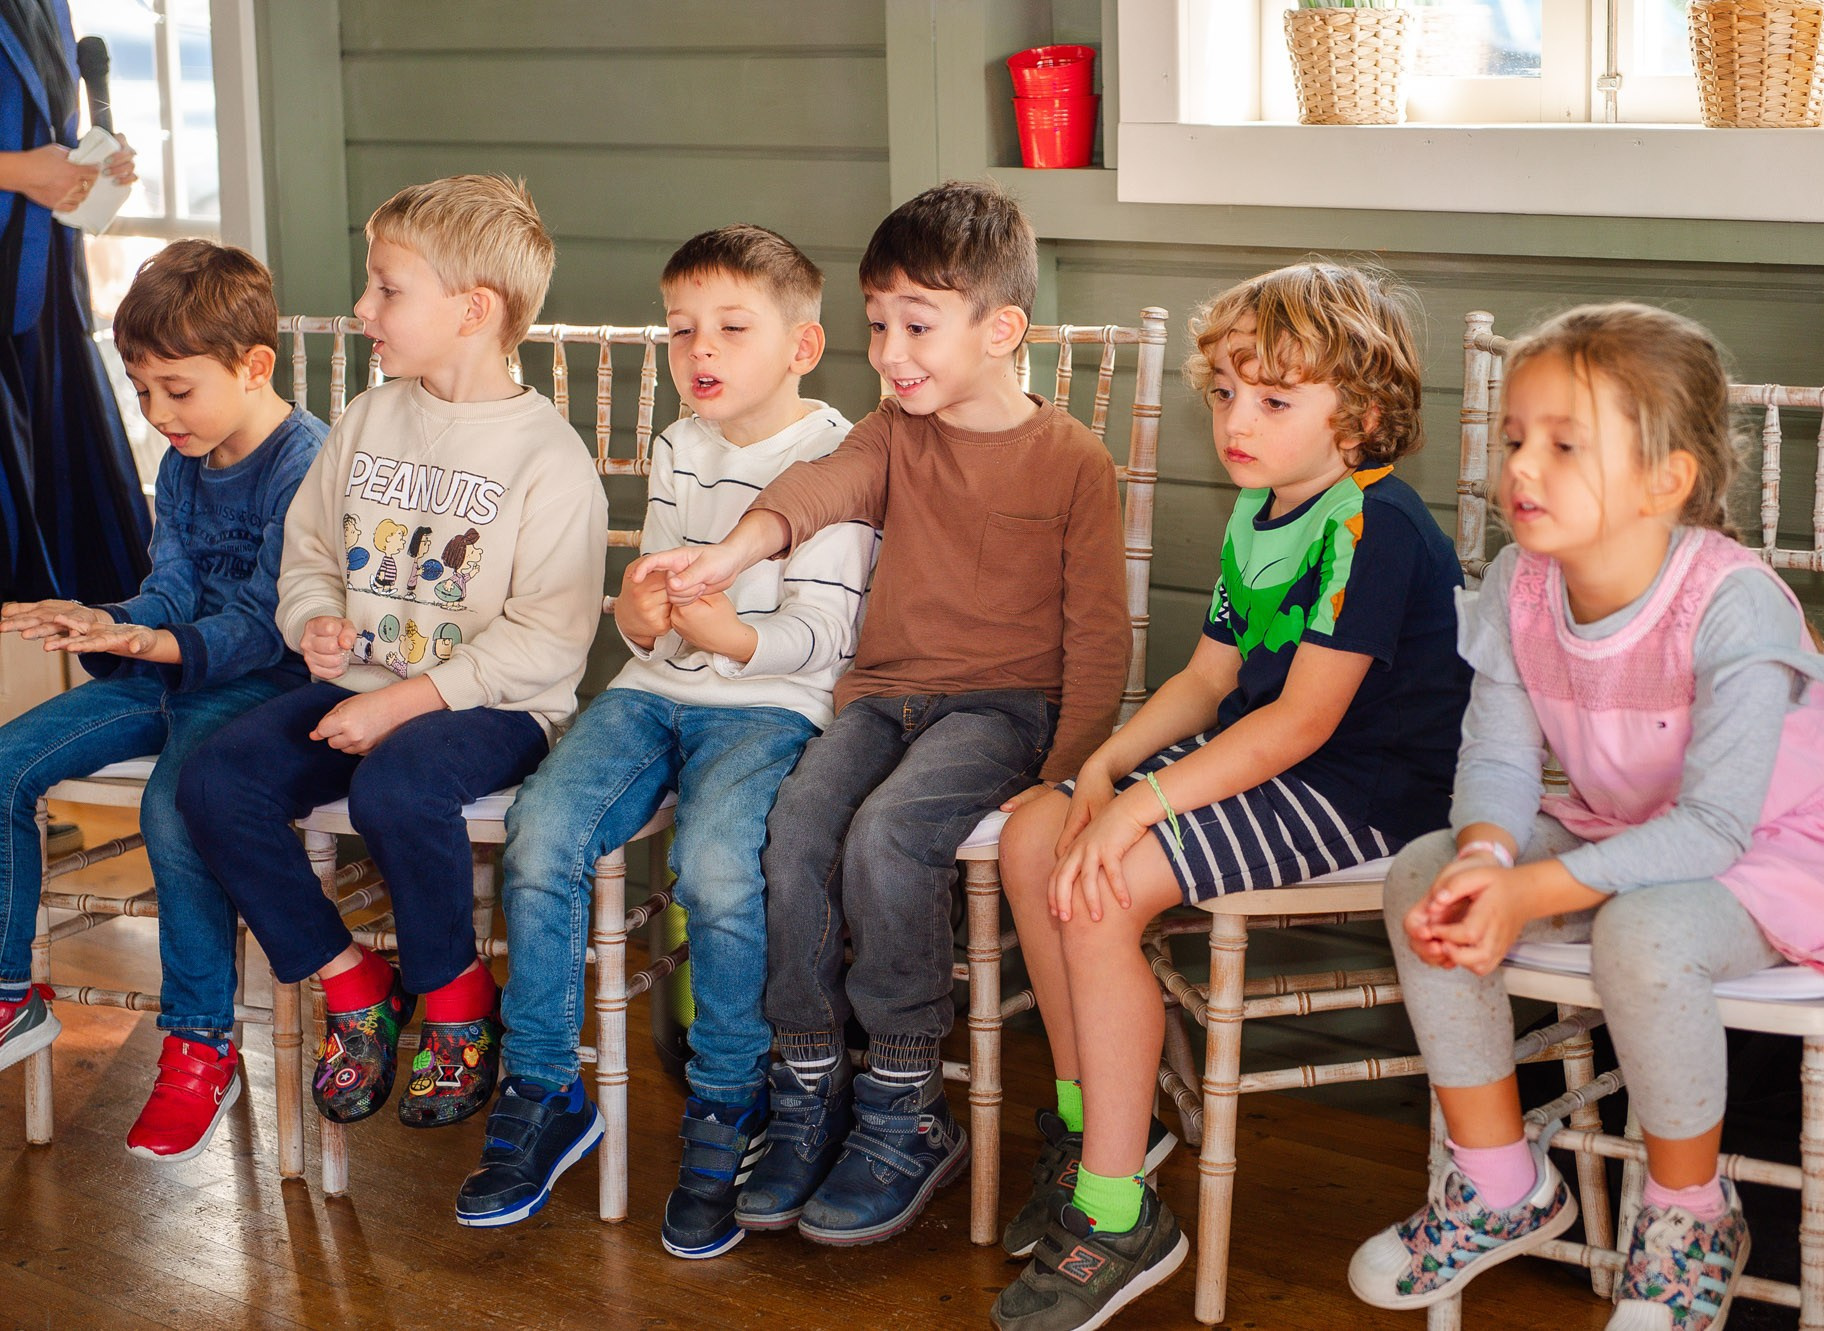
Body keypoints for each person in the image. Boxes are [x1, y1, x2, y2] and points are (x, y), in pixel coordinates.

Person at [1348, 304, 1824, 1330]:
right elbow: (1503, 752)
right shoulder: (1521, 581)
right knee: (1430, 877)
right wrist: (1484, 856)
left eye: (1564, 444)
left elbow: (1713, 828)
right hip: (1617, 820)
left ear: (1664, 478)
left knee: (1636, 934)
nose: (1522, 466)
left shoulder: (1731, 604)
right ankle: (1496, 1179)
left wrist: (1531, 889)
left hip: (1772, 848)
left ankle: (1689, 1216)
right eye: (1515, 438)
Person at [633, 181, 1129, 1247]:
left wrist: (1073, 769)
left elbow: (1097, 637)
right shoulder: (891, 431)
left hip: (1000, 709)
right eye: (877, 325)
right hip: (882, 692)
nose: (891, 352)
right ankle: (810, 1080)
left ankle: (904, 1102)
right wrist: (726, 553)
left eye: (916, 325)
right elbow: (818, 486)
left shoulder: (1071, 460)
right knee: (798, 822)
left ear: (999, 330)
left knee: (888, 834)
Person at [989, 261, 1471, 1330]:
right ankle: (1089, 1131)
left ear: (1362, 414)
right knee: (1034, 834)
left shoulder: (1370, 528)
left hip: (1366, 786)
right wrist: (1109, 765)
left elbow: (1300, 720)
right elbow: (1209, 678)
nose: (1234, 421)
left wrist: (1139, 806)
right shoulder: (1262, 507)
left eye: (1271, 398)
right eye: (1222, 394)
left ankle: (1120, 1216)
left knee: (1105, 882)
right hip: (1268, 754)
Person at [453, 225, 875, 1251]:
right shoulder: (681, 443)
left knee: (720, 865)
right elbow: (643, 610)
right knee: (545, 830)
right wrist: (642, 616)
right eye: (681, 330)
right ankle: (547, 1086)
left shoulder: (840, 455)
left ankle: (729, 1104)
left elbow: (821, 632)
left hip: (772, 703)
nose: (700, 352)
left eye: (731, 328)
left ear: (801, 348)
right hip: (652, 691)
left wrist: (718, 632)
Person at [176, 175, 608, 1135]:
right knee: (215, 783)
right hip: (355, 685)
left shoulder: (548, 459)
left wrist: (403, 700)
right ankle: (352, 978)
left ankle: (456, 999)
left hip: (493, 709)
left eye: (386, 289)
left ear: (472, 309)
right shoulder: (370, 419)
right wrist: (314, 621)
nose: (363, 309)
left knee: (395, 790)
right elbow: (312, 555)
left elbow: (546, 638)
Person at [0, 239, 325, 1161]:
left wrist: (154, 641)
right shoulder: (185, 462)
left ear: (253, 365)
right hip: (169, 668)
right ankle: (8, 996)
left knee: (175, 802)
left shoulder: (307, 465)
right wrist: (108, 622)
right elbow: (171, 587)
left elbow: (272, 626)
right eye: (141, 391)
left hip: (266, 684)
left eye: (175, 390)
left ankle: (199, 1045)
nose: (156, 414)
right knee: (2, 765)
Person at [0, 0, 150, 601]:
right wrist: (16, 171)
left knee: (83, 540)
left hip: (44, 296)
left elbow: (47, 141)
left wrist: (94, 167)